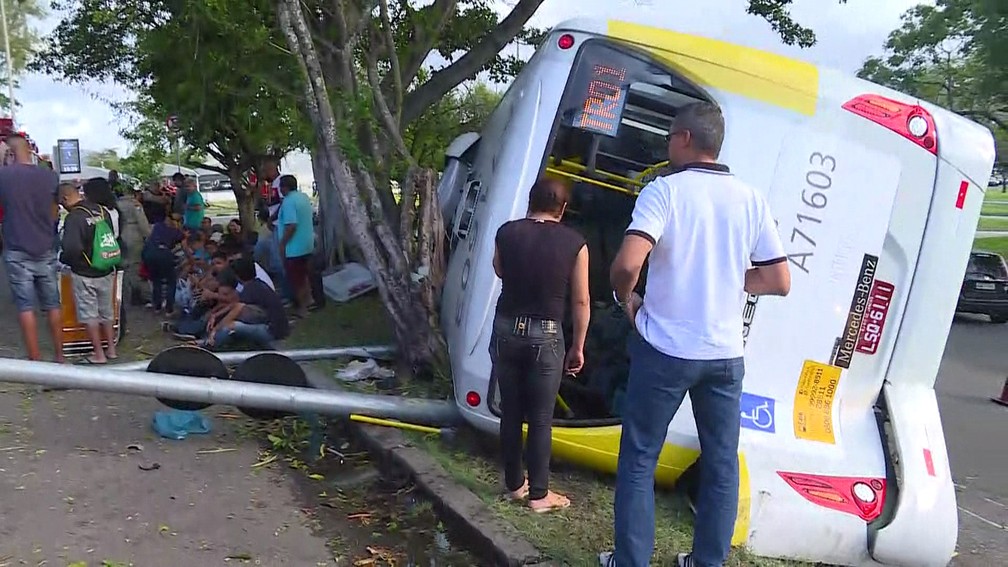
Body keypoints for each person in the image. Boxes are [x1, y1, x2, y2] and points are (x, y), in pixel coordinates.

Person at [599, 102, 791, 567]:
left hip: (665, 349)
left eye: (670, 137)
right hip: (724, 356)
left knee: (640, 456)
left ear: (684, 139)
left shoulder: (664, 191)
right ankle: (706, 563)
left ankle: (630, 561)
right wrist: (726, 279)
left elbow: (627, 264)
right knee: (722, 464)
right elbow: (779, 280)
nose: (668, 145)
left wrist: (626, 299)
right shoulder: (750, 199)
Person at [490, 177, 590, 514]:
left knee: (511, 411)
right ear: (563, 208)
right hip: (546, 334)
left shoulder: (507, 232)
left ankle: (514, 485)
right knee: (540, 417)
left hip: (506, 328)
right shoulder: (575, 243)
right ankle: (539, 495)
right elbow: (581, 301)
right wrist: (578, 346)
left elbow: (499, 270)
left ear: (530, 201)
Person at [0, 134, 64, 362]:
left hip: (17, 247)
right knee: (53, 304)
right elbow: (55, 212)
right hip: (45, 246)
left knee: (26, 307)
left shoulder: (4, 175)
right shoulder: (49, 176)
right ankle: (60, 357)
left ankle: (35, 361)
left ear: (10, 153)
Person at [59, 181, 122, 364]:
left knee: (89, 314)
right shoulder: (102, 210)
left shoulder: (74, 217)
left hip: (84, 272)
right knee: (107, 311)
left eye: (61, 203)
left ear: (65, 198)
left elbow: (72, 249)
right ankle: (111, 350)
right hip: (106, 268)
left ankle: (98, 354)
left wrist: (64, 259)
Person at [202, 256, 289, 350]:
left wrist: (216, 329)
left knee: (231, 326)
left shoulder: (251, 289)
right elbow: (234, 304)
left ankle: (209, 345)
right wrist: (216, 315)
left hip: (272, 332)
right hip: (277, 329)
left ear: (237, 276)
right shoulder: (256, 285)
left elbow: (237, 307)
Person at [276, 175, 315, 317]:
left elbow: (291, 225)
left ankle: (302, 308)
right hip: (307, 243)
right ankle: (309, 300)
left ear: (284, 187)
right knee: (304, 276)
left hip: (294, 248)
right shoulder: (303, 197)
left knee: (296, 280)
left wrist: (283, 243)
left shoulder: (288, 202)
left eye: (281, 187)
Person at [142, 214, 185, 314]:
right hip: (162, 254)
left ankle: (157, 306)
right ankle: (169, 309)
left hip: (149, 254)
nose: (177, 222)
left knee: (156, 281)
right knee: (171, 281)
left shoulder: (157, 226)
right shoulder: (176, 231)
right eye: (176, 220)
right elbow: (183, 242)